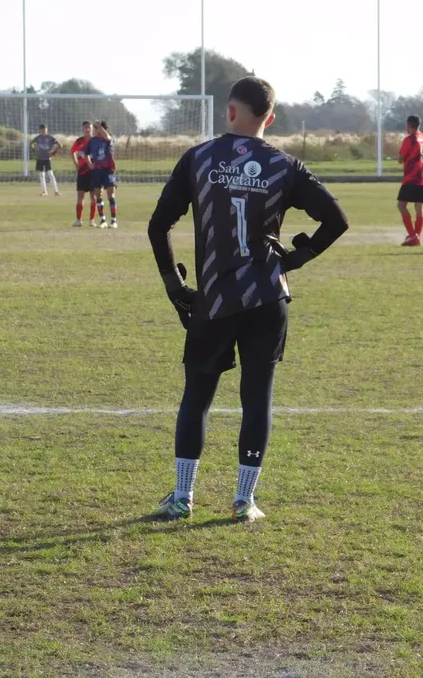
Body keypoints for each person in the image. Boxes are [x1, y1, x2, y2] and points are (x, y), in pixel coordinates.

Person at [147, 76, 349, 522]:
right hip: (266, 299)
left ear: (230, 111)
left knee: (196, 397)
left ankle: (182, 497)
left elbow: (157, 225)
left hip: (214, 301)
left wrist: (173, 287)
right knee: (257, 397)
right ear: (270, 119)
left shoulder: (199, 158)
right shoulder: (284, 165)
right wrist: (295, 260)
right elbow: (337, 219)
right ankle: (245, 501)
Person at [397, 115, 423, 246]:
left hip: (412, 177)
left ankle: (412, 235)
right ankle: (417, 237)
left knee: (401, 205)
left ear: (409, 125)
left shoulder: (410, 139)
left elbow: (401, 158)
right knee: (419, 207)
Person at [86, 120, 118, 228]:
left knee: (111, 195)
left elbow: (108, 138)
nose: (94, 130)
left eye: (96, 128)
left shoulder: (109, 138)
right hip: (97, 171)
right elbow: (86, 154)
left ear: (101, 129)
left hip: (108, 170)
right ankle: (102, 220)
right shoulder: (93, 141)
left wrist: (100, 127)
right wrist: (89, 163)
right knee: (98, 195)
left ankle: (113, 221)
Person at [69, 121, 97, 227]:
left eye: (89, 128)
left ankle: (92, 220)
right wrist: (76, 164)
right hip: (82, 172)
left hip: (93, 172)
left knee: (93, 197)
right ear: (82, 129)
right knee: (80, 196)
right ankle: (78, 220)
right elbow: (72, 151)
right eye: (85, 128)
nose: (87, 130)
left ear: (92, 129)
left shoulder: (96, 141)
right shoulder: (79, 141)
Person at [32, 124, 62, 197]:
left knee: (50, 174)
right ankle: (44, 192)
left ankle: (56, 191)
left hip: (47, 159)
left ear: (47, 130)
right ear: (40, 130)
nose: (44, 132)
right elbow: (31, 143)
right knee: (41, 175)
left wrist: (53, 153)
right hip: (40, 159)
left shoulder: (50, 138)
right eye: (42, 130)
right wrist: (34, 150)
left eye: (45, 130)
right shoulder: (37, 138)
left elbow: (60, 145)